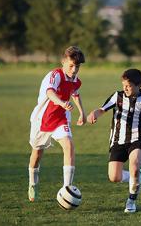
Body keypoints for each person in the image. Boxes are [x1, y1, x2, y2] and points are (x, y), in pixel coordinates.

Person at [87, 68, 141, 213]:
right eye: (123, 84)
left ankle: (131, 201)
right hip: (118, 140)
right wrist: (95, 114)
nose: (125, 88)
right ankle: (136, 176)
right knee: (114, 177)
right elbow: (102, 109)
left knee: (135, 164)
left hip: (137, 139)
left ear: (139, 85)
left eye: (129, 85)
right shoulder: (117, 96)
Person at [28, 46, 86, 202]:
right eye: (71, 65)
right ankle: (33, 183)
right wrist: (61, 103)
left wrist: (82, 112)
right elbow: (50, 92)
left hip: (61, 118)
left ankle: (67, 187)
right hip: (42, 119)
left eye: (77, 66)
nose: (74, 70)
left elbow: (75, 93)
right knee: (37, 154)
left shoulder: (75, 80)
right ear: (63, 62)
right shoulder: (55, 75)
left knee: (69, 145)